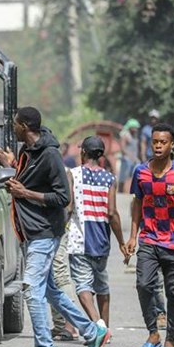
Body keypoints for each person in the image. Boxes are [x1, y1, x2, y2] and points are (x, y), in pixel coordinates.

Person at [0, 106, 110, 347]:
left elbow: (62, 197)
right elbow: (30, 180)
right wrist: (11, 165)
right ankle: (93, 333)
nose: (12, 128)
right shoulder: (28, 152)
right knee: (50, 291)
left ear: (24, 125)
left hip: (45, 232)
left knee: (31, 289)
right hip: (31, 232)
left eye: (15, 124)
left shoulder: (50, 154)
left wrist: (25, 193)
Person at [124, 123, 174, 347]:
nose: (158, 146)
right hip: (148, 239)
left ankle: (170, 341)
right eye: (155, 142)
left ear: (172, 145)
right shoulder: (141, 172)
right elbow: (137, 203)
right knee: (144, 285)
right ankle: (153, 334)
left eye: (163, 142)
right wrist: (133, 235)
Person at [67, 136, 125, 329]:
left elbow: (69, 208)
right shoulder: (109, 178)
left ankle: (97, 326)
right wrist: (121, 242)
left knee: (83, 286)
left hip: (79, 239)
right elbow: (112, 213)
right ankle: (105, 327)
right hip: (101, 241)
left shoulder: (73, 174)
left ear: (83, 152)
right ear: (101, 155)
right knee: (102, 285)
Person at [119, 118, 141, 192]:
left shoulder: (135, 136)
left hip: (134, 159)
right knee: (124, 176)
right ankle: (122, 191)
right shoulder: (125, 136)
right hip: (126, 159)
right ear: (131, 128)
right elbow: (123, 148)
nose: (136, 129)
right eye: (135, 128)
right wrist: (130, 157)